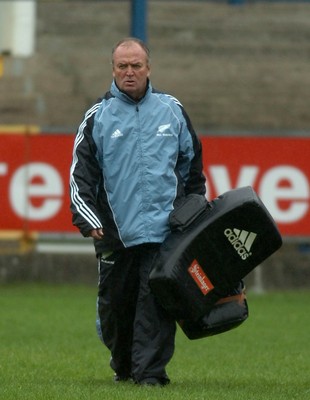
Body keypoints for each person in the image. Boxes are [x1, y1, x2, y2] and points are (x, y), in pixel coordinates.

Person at [69, 37, 206, 386]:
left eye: (136, 66)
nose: (129, 72)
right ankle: (124, 366)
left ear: (148, 68)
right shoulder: (96, 116)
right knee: (117, 308)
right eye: (122, 66)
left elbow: (193, 168)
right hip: (116, 232)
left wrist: (192, 213)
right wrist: (87, 216)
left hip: (164, 231)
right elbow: (80, 174)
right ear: (113, 69)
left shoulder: (172, 109)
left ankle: (151, 375)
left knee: (156, 303)